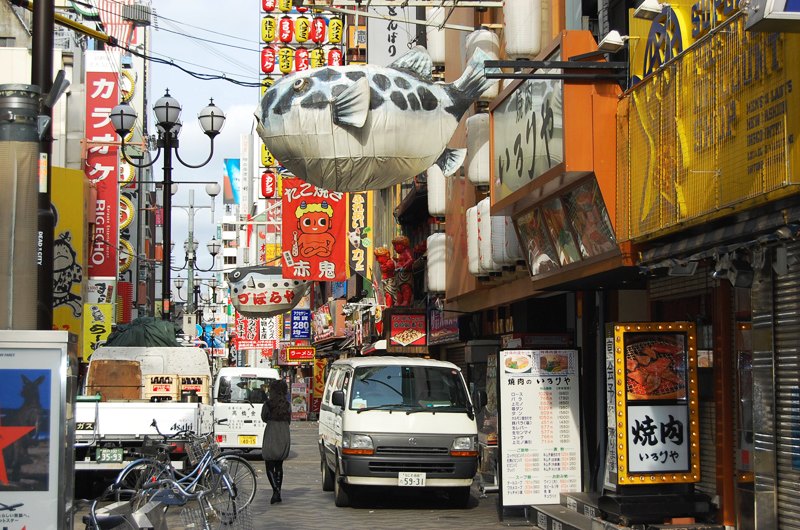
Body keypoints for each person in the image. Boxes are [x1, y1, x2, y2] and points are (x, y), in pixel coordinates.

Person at [261, 379, 291, 504]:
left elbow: (264, 417)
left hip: (272, 431)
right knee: (279, 464)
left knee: (269, 463)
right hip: (284, 431)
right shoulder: (287, 404)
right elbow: (289, 419)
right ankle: (278, 491)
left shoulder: (268, 404)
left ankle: (276, 491)